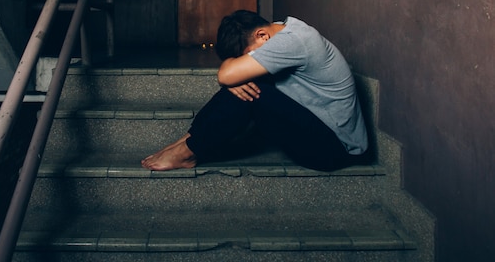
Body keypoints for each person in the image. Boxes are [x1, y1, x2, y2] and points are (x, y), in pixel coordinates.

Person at [141, 10, 369, 172]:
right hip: (321, 130)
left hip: (336, 149)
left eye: (249, 54)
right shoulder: (281, 31)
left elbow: (225, 75)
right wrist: (237, 77)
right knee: (244, 84)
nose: (251, 60)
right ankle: (189, 141)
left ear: (262, 35)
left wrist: (235, 77)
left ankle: (189, 151)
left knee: (251, 90)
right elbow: (231, 76)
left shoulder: (293, 42)